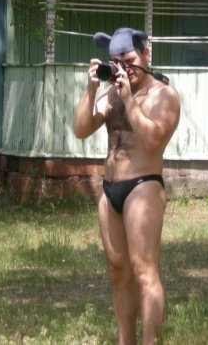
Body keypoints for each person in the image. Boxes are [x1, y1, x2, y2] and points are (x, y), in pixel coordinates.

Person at [73, 27, 181, 345]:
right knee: (118, 272)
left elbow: (153, 140)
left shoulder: (164, 95)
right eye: (117, 62)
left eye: (130, 60)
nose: (124, 68)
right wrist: (91, 89)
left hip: (143, 187)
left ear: (146, 54)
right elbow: (81, 129)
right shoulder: (113, 94)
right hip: (110, 191)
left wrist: (129, 101)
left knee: (144, 271)